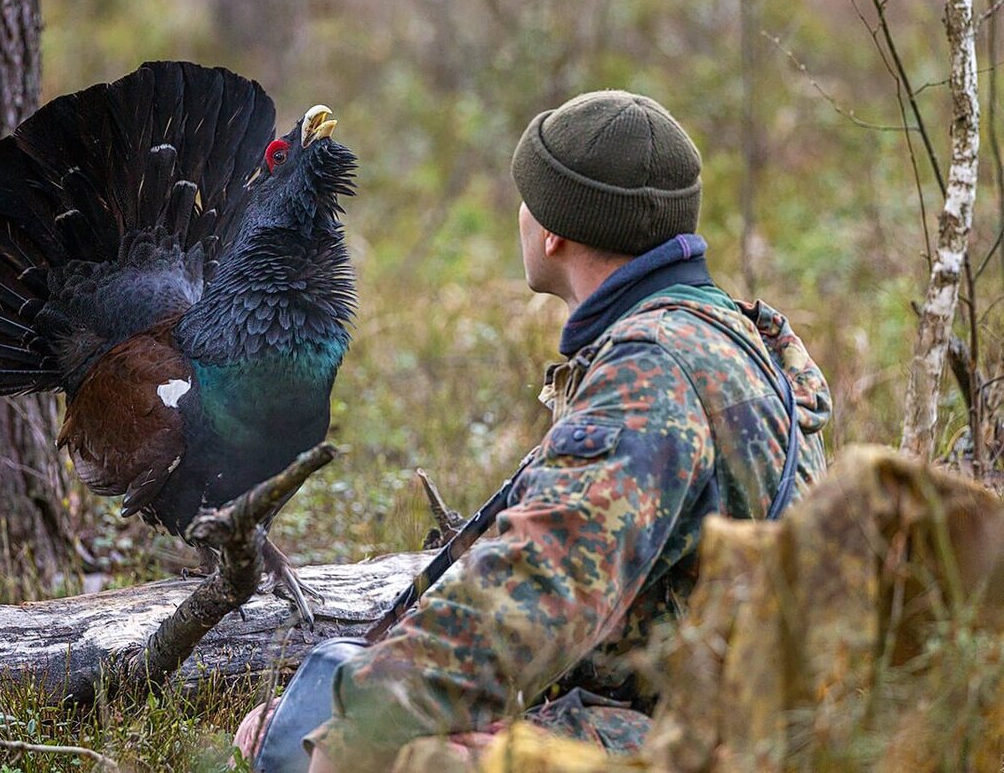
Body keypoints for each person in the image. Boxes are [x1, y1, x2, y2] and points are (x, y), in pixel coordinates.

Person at [236, 90, 832, 771]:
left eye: (528, 196)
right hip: (717, 708)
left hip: (706, 738)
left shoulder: (652, 376)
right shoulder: (726, 333)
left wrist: (357, 721)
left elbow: (538, 586)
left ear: (554, 231)